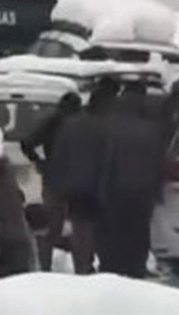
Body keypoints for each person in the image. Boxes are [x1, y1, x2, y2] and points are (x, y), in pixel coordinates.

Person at [98, 80, 168, 279]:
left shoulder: (109, 124)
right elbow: (158, 162)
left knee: (113, 231)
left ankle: (111, 268)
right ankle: (135, 268)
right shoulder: (152, 129)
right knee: (138, 231)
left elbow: (105, 161)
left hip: (115, 190)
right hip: (142, 191)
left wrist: (101, 189)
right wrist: (156, 190)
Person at [50, 78, 117, 274]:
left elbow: (59, 155)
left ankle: (82, 264)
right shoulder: (105, 127)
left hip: (74, 185)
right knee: (91, 228)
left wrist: (57, 184)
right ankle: (87, 266)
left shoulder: (70, 124)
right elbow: (108, 160)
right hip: (96, 186)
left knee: (81, 227)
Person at [21, 90, 81, 270]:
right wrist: (39, 161)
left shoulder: (58, 121)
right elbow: (27, 142)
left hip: (56, 177)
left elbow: (28, 142)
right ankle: (45, 264)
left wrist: (39, 161)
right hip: (61, 178)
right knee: (57, 226)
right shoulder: (57, 121)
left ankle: (45, 263)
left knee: (56, 226)